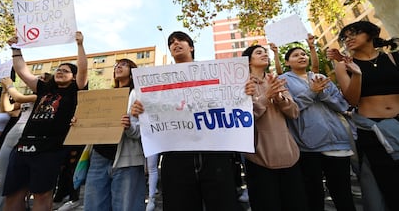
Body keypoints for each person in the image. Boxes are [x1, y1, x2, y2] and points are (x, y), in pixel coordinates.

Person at [131, 31, 239, 211]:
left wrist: (244, 91)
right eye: (171, 42)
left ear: (192, 46)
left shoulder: (213, 75)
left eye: (180, 40)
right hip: (176, 158)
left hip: (213, 155)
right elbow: (152, 112)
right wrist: (140, 112)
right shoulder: (157, 82)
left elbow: (231, 99)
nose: (175, 43)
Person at [2, 31, 88, 211]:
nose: (60, 72)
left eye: (66, 71)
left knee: (42, 195)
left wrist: (79, 45)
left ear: (73, 77)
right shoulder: (43, 89)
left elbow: (83, 70)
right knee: (13, 195)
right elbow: (22, 71)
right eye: (58, 69)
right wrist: (16, 49)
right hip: (23, 147)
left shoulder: (75, 91)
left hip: (50, 150)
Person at [328, 21, 399, 211]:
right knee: (390, 186)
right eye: (345, 37)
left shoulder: (393, 58)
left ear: (370, 34)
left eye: (354, 33)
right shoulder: (344, 66)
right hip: (372, 132)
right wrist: (357, 75)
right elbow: (351, 100)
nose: (348, 39)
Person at [280, 46, 356, 211]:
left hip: (337, 142)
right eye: (295, 55)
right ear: (287, 62)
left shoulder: (321, 77)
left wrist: (323, 94)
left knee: (343, 193)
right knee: (313, 194)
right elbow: (289, 109)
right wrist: (311, 92)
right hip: (308, 146)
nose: (301, 57)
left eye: (304, 54)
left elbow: (342, 104)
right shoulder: (282, 81)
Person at [241, 44, 308, 211]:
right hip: (259, 157)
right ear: (248, 61)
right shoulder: (242, 84)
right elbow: (244, 118)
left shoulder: (276, 81)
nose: (264, 54)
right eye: (258, 52)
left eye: (265, 52)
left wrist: (278, 97)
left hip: (289, 155)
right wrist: (265, 97)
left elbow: (294, 113)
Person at [83, 58, 145, 211]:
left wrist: (128, 127)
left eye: (124, 64)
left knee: (126, 206)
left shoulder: (139, 95)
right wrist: (79, 122)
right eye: (117, 65)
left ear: (132, 71)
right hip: (99, 157)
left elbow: (139, 132)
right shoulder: (105, 96)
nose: (118, 67)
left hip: (127, 158)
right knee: (94, 205)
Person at [0, 75, 51, 211]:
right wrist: (5, 91)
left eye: (42, 78)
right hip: (11, 138)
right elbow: (7, 108)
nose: (36, 79)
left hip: (29, 140)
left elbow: (18, 98)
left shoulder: (44, 97)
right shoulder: (29, 97)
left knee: (25, 183)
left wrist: (9, 85)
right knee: (4, 180)